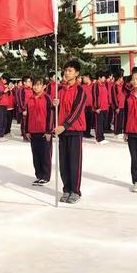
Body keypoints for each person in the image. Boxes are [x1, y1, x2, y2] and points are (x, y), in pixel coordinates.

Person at [53, 60, 87, 204]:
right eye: (66, 70)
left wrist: (65, 126)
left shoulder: (80, 90)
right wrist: (54, 104)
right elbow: (56, 111)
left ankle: (75, 190)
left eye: (70, 71)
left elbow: (77, 111)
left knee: (74, 162)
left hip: (74, 130)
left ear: (77, 73)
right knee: (64, 162)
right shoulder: (59, 91)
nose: (67, 73)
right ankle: (66, 189)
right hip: (62, 131)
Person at [26, 78, 53, 186]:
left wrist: (49, 131)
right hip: (33, 131)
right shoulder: (30, 99)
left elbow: (50, 115)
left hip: (44, 131)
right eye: (34, 85)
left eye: (38, 85)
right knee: (36, 155)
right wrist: (26, 130)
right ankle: (39, 175)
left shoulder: (47, 98)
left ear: (44, 86)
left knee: (45, 155)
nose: (36, 87)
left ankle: (46, 176)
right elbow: (28, 116)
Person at [92, 70, 109, 144]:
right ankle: (98, 139)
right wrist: (96, 107)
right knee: (98, 124)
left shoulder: (104, 85)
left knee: (102, 124)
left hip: (104, 107)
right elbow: (95, 96)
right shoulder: (96, 85)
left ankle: (102, 137)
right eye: (103, 77)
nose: (104, 78)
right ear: (99, 78)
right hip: (99, 108)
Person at [0, 74, 11, 141]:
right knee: (0, 120)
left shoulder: (5, 84)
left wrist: (9, 90)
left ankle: (2, 134)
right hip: (0, 104)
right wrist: (3, 91)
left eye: (7, 81)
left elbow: (8, 94)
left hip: (5, 104)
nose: (5, 81)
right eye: (5, 80)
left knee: (4, 120)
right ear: (2, 78)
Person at [112, 71, 126, 139]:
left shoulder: (121, 85)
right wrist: (116, 106)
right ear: (119, 78)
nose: (122, 79)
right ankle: (116, 132)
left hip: (122, 105)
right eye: (122, 77)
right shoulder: (114, 86)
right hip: (117, 106)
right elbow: (114, 96)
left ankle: (120, 132)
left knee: (121, 119)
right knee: (117, 119)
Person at [19, 76, 33, 141]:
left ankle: (29, 135)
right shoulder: (22, 89)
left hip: (31, 109)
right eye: (29, 81)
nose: (30, 83)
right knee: (24, 123)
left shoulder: (31, 89)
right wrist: (23, 109)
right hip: (25, 109)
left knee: (30, 123)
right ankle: (25, 137)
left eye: (30, 81)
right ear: (24, 82)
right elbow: (20, 100)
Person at [82, 74, 94, 138]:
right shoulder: (82, 86)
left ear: (88, 77)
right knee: (84, 120)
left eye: (84, 78)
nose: (83, 80)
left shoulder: (93, 86)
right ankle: (84, 132)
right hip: (84, 106)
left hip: (91, 106)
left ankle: (88, 133)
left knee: (89, 120)